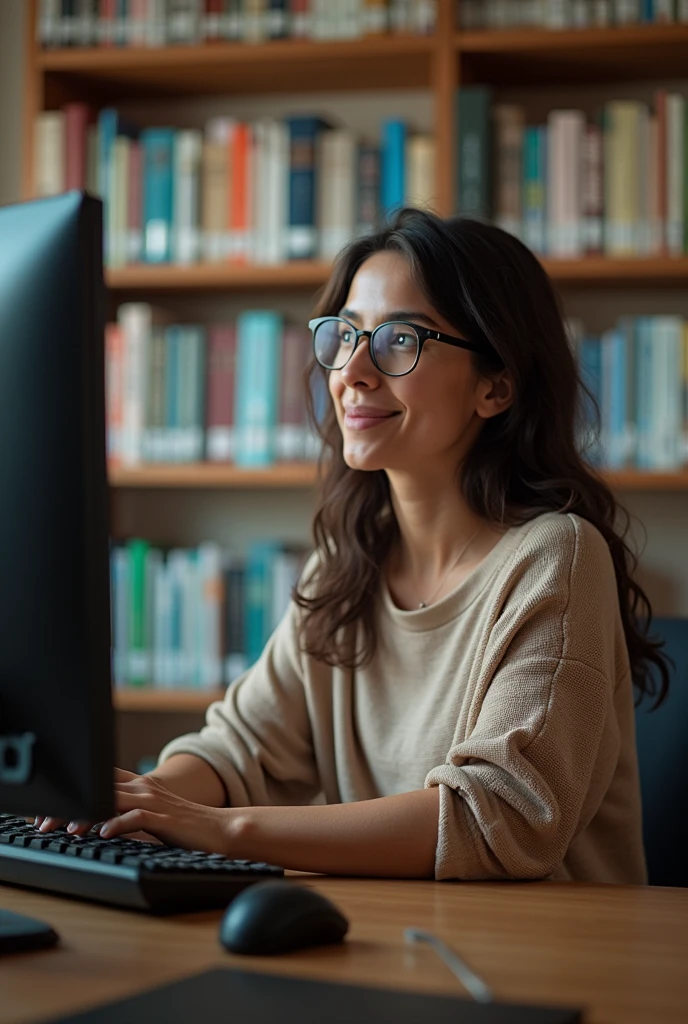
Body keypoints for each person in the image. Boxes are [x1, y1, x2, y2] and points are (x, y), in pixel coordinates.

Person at [37, 209, 669, 883]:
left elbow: (499, 821)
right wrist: (141, 803)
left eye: (399, 339)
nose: (352, 371)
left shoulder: (556, 556)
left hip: (538, 959)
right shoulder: (348, 563)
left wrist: (221, 830)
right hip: (387, 941)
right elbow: (241, 748)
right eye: (344, 336)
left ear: (496, 386)